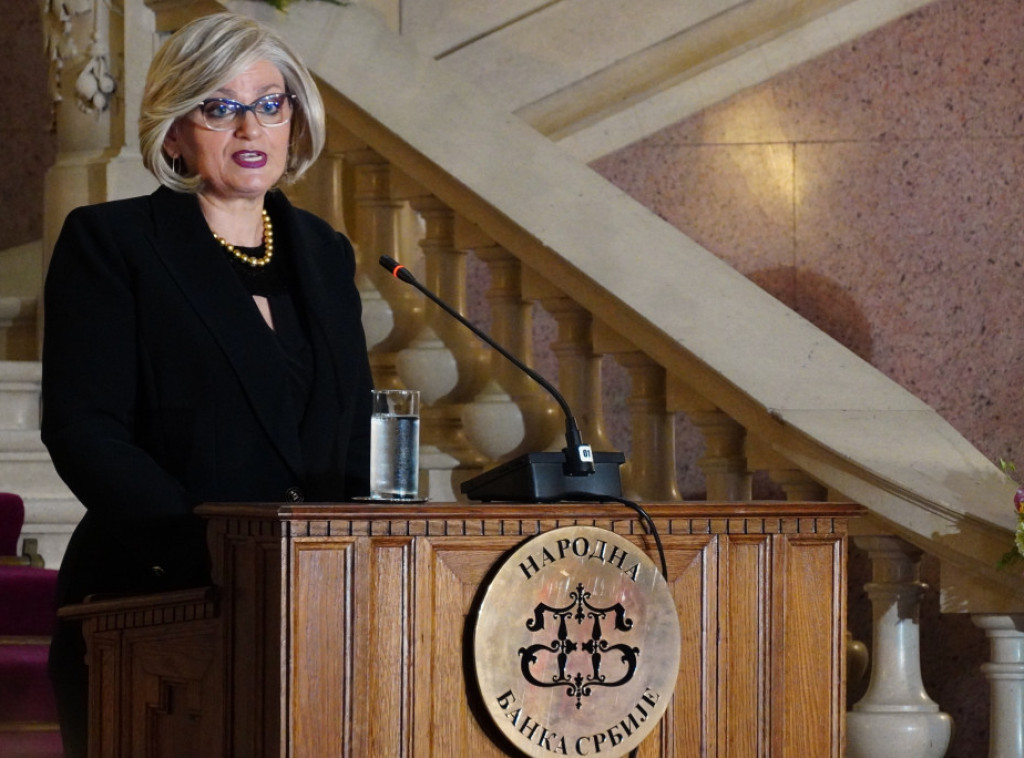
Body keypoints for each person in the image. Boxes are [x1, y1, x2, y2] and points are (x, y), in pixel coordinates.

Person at [40, 12, 374, 756]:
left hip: (316, 611)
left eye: (270, 103)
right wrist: (215, 555)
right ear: (173, 134)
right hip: (159, 599)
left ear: (295, 121)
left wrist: (353, 557)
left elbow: (353, 429)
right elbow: (85, 429)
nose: (251, 128)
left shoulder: (324, 252)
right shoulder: (113, 243)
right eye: (219, 108)